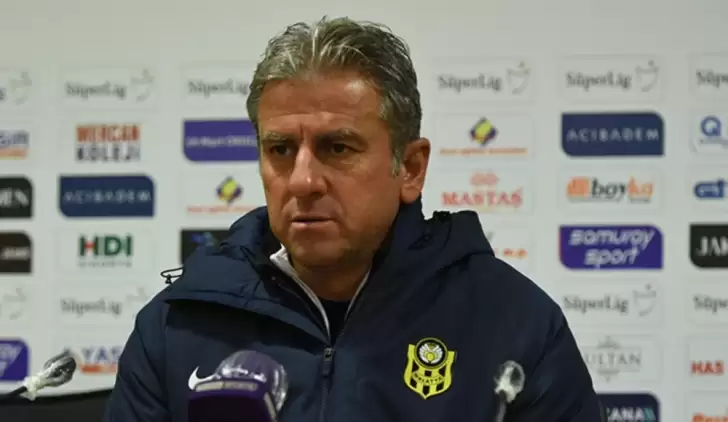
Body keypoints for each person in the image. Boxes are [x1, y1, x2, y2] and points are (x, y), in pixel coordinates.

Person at [104, 16, 603, 422]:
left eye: (337, 148)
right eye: (280, 149)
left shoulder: (515, 326)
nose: (303, 180)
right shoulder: (175, 327)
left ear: (410, 168)